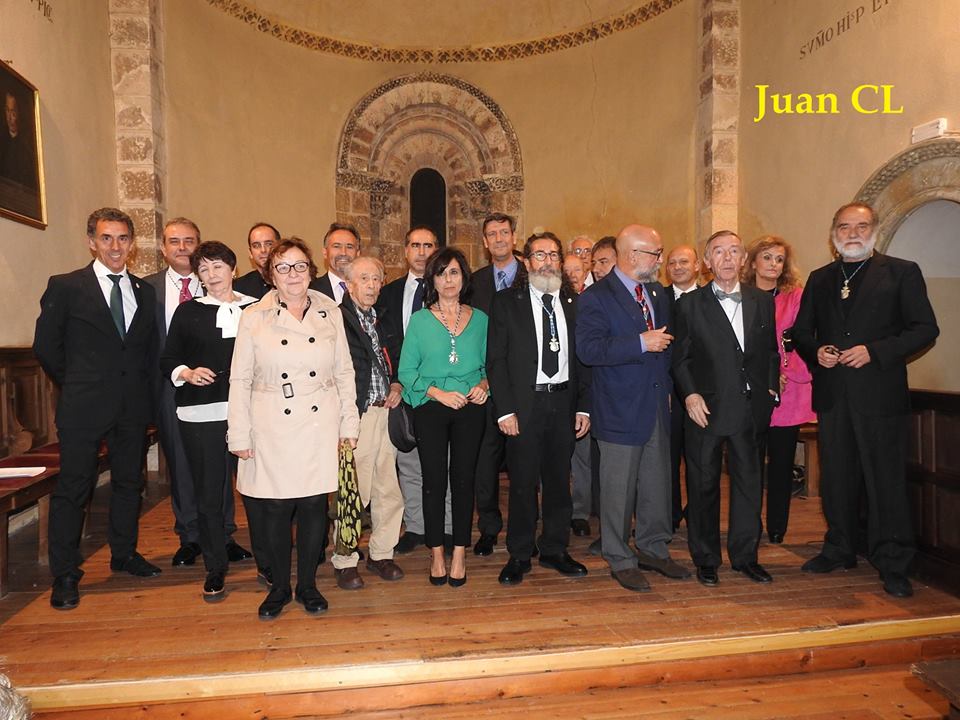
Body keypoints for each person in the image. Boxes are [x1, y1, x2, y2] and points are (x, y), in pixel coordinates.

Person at [793, 203, 939, 598]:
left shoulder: (901, 272)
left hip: (879, 395)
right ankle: (840, 548)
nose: (852, 233)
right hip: (834, 395)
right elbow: (802, 332)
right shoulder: (821, 278)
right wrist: (817, 351)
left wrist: (875, 351)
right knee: (837, 479)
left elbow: (925, 328)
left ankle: (893, 562)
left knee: (885, 482)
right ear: (833, 234)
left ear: (874, 230)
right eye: (844, 227)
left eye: (861, 226)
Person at [34, 207, 162, 610]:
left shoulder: (144, 292)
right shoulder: (67, 286)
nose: (115, 246)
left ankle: (123, 554)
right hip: (84, 407)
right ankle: (66, 574)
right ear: (92, 241)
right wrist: (78, 384)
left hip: (131, 408)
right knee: (74, 488)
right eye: (106, 238)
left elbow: (145, 351)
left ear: (132, 243)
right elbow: (47, 347)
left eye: (123, 238)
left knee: (129, 483)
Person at [228, 238, 360, 619]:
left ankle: (308, 585)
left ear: (311, 270)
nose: (293, 275)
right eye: (283, 267)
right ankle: (279, 588)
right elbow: (240, 379)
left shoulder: (330, 310)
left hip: (321, 420)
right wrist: (238, 433)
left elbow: (344, 371)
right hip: (271, 420)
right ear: (271, 274)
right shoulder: (254, 315)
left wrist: (348, 423)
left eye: (300, 266)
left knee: (314, 507)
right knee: (275, 508)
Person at [577, 224, 688, 592]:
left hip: (656, 404)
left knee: (657, 484)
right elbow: (589, 350)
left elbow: (668, 346)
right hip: (619, 407)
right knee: (618, 489)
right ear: (633, 255)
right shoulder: (597, 297)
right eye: (655, 253)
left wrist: (670, 390)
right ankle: (619, 555)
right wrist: (640, 343)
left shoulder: (656, 293)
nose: (660, 260)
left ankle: (653, 548)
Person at [672, 230, 780, 587]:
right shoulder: (688, 304)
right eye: (719, 251)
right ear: (707, 262)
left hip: (751, 409)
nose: (728, 257)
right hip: (707, 410)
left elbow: (769, 351)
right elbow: (681, 358)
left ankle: (746, 556)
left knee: (750, 483)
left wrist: (768, 386)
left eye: (734, 250)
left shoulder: (762, 301)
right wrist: (690, 395)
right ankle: (706, 558)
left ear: (744, 258)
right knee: (702, 485)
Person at [145, 218, 252, 568]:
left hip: (250, 410)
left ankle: (254, 549)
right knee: (205, 485)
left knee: (253, 486)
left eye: (218, 266)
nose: (211, 274)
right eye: (203, 269)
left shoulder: (256, 308)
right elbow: (169, 357)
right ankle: (213, 561)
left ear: (233, 269)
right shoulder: (188, 311)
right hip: (202, 410)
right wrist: (187, 373)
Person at [487, 232, 590, 585]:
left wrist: (584, 408)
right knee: (522, 484)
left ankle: (555, 549)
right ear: (527, 262)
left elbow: (583, 360)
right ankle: (519, 553)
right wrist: (504, 410)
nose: (547, 261)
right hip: (524, 405)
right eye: (539, 254)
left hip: (563, 403)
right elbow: (496, 361)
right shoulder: (506, 303)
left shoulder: (575, 303)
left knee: (559, 482)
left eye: (553, 254)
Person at [398, 247, 488, 587]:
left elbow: (489, 366)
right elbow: (407, 372)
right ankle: (436, 552)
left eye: (454, 272)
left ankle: (460, 551)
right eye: (441, 273)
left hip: (470, 406)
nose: (448, 279)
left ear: (463, 278)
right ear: (431, 280)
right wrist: (439, 394)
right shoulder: (420, 321)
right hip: (431, 405)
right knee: (434, 481)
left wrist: (484, 386)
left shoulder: (481, 320)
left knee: (464, 481)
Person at [376, 226, 453, 554]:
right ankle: (418, 527)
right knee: (408, 463)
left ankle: (447, 527)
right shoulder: (389, 293)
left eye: (429, 245)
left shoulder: (449, 291)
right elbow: (384, 341)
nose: (422, 252)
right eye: (416, 245)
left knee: (444, 464)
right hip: (404, 390)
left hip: (442, 391)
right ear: (405, 250)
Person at [332, 256, 406, 590]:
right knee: (354, 491)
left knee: (388, 489)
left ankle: (380, 553)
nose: (373, 285)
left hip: (385, 414)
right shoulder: (336, 319)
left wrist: (397, 384)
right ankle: (345, 559)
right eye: (365, 279)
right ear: (349, 284)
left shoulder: (383, 318)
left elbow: (397, 361)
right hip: (356, 416)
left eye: (377, 278)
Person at [743, 236, 815, 544]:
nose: (773, 264)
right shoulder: (740, 296)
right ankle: (749, 525)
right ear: (754, 261)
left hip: (788, 393)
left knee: (782, 464)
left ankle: (776, 527)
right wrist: (763, 376)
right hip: (750, 392)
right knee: (749, 464)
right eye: (767, 257)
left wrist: (783, 373)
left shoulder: (795, 297)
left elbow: (803, 339)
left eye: (779, 259)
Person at [469, 213, 521, 556]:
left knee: (523, 464)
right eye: (492, 234)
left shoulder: (536, 277)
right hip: (485, 387)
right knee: (483, 466)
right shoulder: (474, 282)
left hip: (524, 388)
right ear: (485, 243)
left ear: (514, 238)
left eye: (504, 232)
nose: (499, 238)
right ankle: (488, 527)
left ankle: (523, 530)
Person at [663, 244, 702, 531]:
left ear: (697, 265)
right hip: (666, 393)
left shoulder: (710, 298)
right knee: (667, 459)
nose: (678, 267)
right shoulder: (658, 299)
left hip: (702, 393)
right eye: (673, 263)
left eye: (684, 262)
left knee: (699, 459)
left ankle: (698, 513)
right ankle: (670, 514)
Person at [310, 223, 361, 304]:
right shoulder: (311, 291)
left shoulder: (371, 290)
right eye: (337, 246)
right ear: (325, 253)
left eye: (349, 247)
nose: (343, 253)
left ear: (358, 253)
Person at [233, 222, 279, 299]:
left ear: (280, 247)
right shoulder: (238, 289)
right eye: (256, 246)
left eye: (269, 244)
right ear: (250, 253)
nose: (263, 250)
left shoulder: (296, 279)